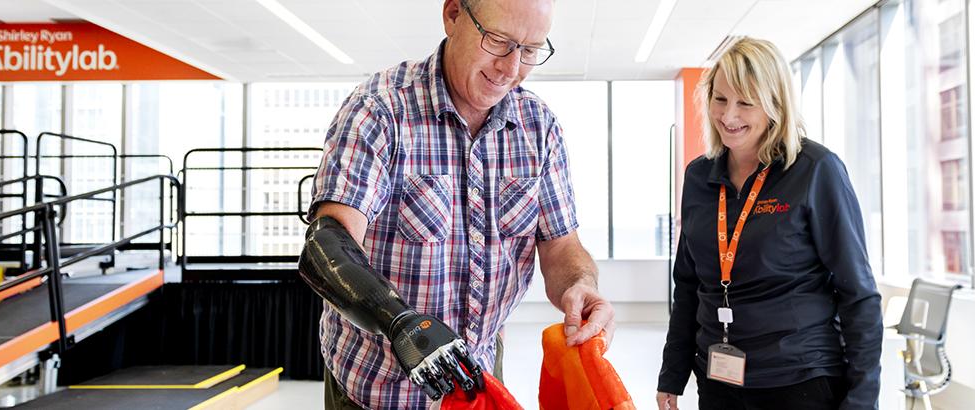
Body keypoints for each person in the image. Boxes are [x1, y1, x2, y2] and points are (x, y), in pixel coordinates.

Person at [304, 0, 616, 408]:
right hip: (376, 387)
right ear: (453, 15)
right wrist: (400, 320)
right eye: (498, 41)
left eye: (530, 50)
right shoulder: (380, 109)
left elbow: (561, 246)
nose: (510, 68)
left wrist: (581, 286)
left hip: (478, 377)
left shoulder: (539, 127)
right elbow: (329, 242)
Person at [655, 38, 883, 410]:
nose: (729, 116)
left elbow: (858, 294)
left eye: (745, 102)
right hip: (719, 381)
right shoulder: (698, 178)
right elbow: (689, 285)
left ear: (775, 105)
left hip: (800, 380)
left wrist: (862, 400)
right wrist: (673, 373)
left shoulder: (815, 171)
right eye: (720, 99)